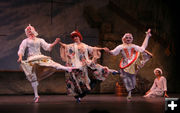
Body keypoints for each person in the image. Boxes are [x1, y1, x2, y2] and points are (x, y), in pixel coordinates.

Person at [17, 24, 75, 103]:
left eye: (31, 31)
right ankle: (36, 95)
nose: (30, 32)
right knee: (33, 76)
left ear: (34, 31)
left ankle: (67, 68)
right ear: (26, 33)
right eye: (28, 32)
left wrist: (55, 42)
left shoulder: (40, 40)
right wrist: (20, 57)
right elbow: (21, 49)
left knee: (51, 63)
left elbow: (47, 47)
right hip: (32, 59)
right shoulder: (25, 41)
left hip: (39, 57)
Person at [59, 30, 117, 103]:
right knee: (78, 81)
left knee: (96, 68)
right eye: (73, 37)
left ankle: (111, 71)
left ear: (79, 37)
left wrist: (102, 49)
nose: (75, 38)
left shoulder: (84, 46)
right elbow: (66, 46)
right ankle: (78, 96)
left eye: (76, 36)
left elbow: (93, 49)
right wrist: (59, 43)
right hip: (76, 65)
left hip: (85, 63)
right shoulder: (72, 46)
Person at [104, 29, 152, 101]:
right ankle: (129, 92)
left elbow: (143, 48)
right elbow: (114, 52)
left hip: (132, 63)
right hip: (125, 64)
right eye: (127, 38)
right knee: (125, 78)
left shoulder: (134, 46)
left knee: (132, 79)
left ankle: (130, 89)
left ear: (132, 39)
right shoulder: (120, 46)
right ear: (124, 39)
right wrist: (109, 51)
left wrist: (147, 36)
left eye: (130, 38)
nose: (128, 39)